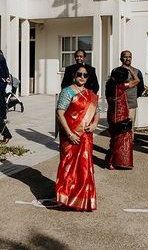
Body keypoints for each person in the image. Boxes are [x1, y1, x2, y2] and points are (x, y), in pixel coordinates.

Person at [55, 63, 100, 211]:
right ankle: (66, 197)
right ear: (74, 75)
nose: (82, 77)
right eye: (79, 74)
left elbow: (97, 112)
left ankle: (83, 199)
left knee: (84, 168)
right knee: (68, 167)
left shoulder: (90, 94)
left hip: (86, 136)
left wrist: (94, 125)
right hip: (70, 136)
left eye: (85, 75)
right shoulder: (67, 92)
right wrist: (69, 133)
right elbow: (60, 113)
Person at [105, 66, 139, 170]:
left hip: (111, 113)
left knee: (114, 138)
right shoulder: (122, 86)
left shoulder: (109, 84)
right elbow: (137, 80)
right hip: (121, 114)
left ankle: (111, 160)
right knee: (119, 140)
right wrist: (130, 70)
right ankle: (111, 161)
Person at [115, 50, 145, 133]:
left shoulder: (137, 72)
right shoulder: (116, 71)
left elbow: (141, 87)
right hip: (119, 104)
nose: (128, 59)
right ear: (121, 59)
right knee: (119, 126)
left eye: (129, 57)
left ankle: (130, 145)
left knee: (130, 126)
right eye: (125, 57)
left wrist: (134, 96)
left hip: (131, 103)